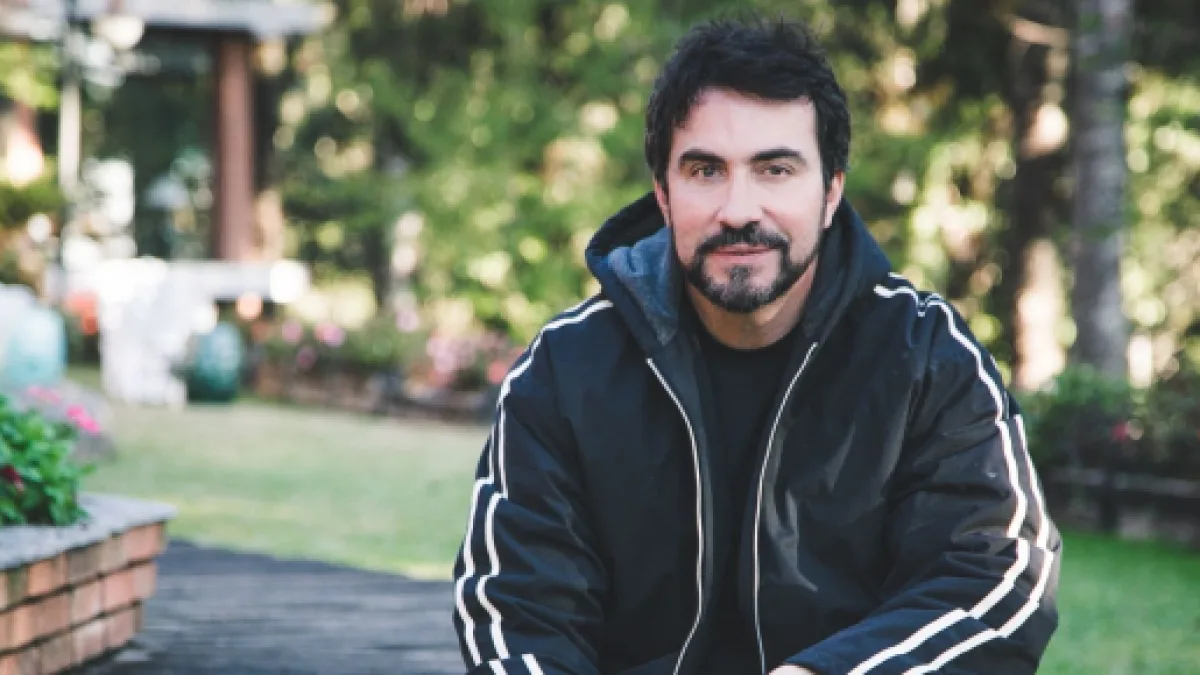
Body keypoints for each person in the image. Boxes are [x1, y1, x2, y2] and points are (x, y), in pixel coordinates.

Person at [453, 15, 1061, 675]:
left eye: (775, 169)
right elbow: (516, 614)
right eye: (705, 170)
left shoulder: (926, 357)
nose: (739, 209)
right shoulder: (566, 370)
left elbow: (995, 582)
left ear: (831, 192)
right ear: (663, 194)